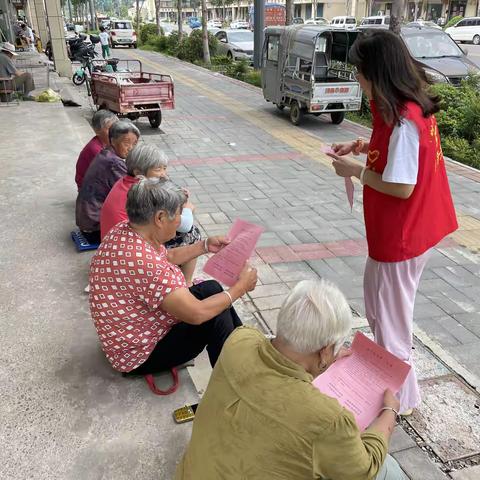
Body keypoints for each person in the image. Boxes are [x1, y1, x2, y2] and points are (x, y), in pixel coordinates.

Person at [327, 30, 457, 415]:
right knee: (381, 309)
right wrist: (363, 148)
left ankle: (400, 402)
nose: (357, 78)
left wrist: (355, 170)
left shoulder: (403, 120)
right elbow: (402, 155)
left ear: (376, 72)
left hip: (402, 236)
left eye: (359, 71)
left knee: (391, 320)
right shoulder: (405, 106)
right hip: (412, 231)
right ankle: (395, 389)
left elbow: (401, 186)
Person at [176, 280, 407, 480]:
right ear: (325, 350)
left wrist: (325, 361)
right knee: (388, 471)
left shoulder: (239, 340)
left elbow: (271, 348)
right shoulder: (329, 420)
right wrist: (389, 411)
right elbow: (364, 470)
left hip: (193, 472)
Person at [89, 177, 258, 375]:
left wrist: (204, 246)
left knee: (211, 289)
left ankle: (242, 349)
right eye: (179, 213)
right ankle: (237, 377)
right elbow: (197, 314)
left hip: (128, 336)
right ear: (160, 218)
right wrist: (240, 288)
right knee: (214, 315)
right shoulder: (148, 267)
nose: (180, 220)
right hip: (139, 355)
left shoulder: (125, 231)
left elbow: (167, 255)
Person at [100, 144, 201, 285]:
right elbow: (184, 225)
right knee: (191, 232)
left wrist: (173, 195)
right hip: (130, 251)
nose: (164, 174)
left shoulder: (126, 183)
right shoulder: (146, 194)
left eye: (164, 168)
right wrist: (187, 208)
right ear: (138, 172)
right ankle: (187, 283)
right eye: (157, 169)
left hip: (114, 245)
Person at [75, 120, 139, 244]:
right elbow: (134, 192)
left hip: (88, 223)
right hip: (95, 229)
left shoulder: (106, 153)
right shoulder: (114, 163)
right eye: (126, 143)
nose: (131, 148)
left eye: (135, 143)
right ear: (113, 141)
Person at [75, 110, 119, 190]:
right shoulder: (95, 149)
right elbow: (111, 174)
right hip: (89, 190)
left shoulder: (108, 144)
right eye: (109, 129)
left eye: (115, 128)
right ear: (97, 131)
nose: (114, 132)